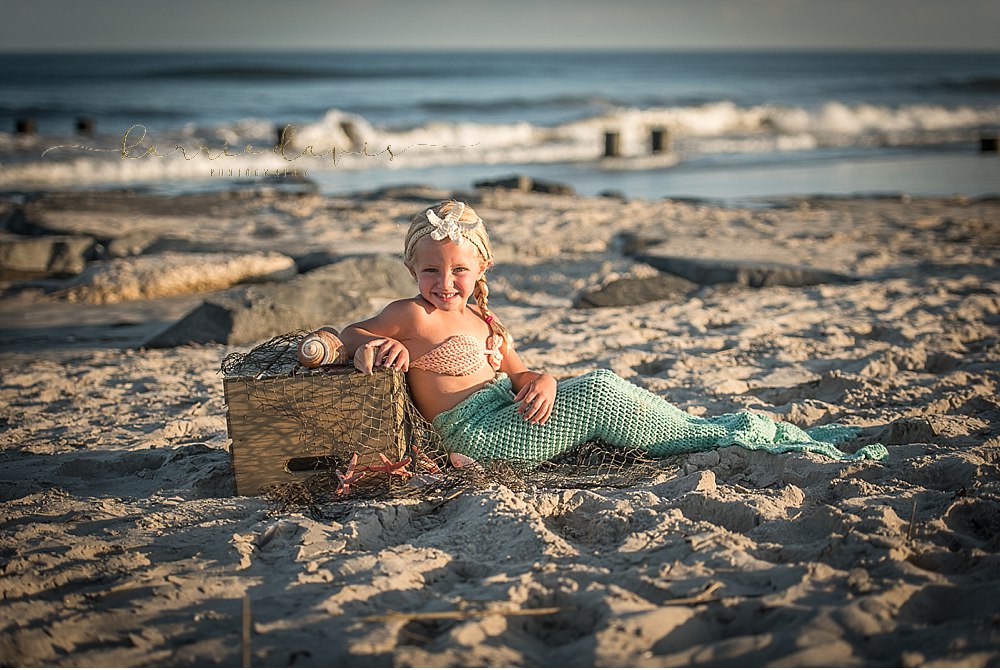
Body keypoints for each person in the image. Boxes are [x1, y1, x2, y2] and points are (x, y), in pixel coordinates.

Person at [333, 199, 887, 465]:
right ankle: (714, 431)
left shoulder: (483, 318)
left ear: (481, 270)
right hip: (477, 436)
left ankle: (709, 428)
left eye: (458, 269)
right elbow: (346, 334)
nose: (444, 281)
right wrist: (371, 344)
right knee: (600, 390)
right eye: (431, 269)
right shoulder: (413, 314)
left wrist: (542, 379)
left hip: (510, 411)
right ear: (412, 271)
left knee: (595, 387)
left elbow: (518, 369)